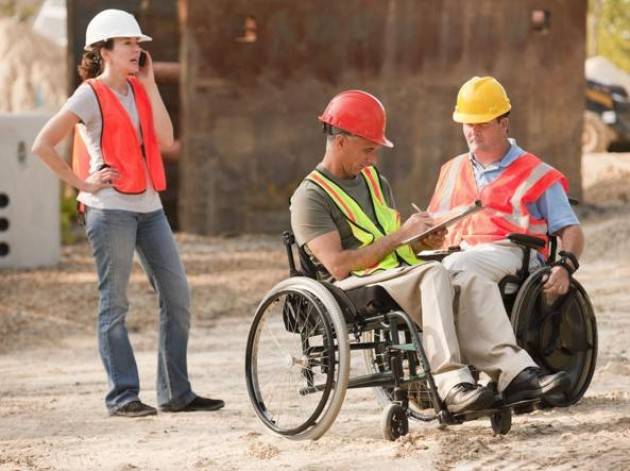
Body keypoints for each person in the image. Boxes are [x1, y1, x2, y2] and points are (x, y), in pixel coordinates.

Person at [290, 90, 570, 414]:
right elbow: (338, 266)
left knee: (469, 278)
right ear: (341, 141)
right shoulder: (310, 198)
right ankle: (452, 384)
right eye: (368, 149)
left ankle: (514, 374)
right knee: (435, 274)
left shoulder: (373, 180)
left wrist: (422, 240)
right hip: (352, 286)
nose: (373, 159)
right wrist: (400, 237)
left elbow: (389, 240)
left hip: (392, 272)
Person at [32, 9, 223, 417]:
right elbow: (42, 144)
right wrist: (82, 183)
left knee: (177, 298)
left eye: (139, 44)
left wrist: (151, 86)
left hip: (150, 209)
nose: (137, 50)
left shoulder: (139, 89)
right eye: (128, 44)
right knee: (115, 304)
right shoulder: (88, 94)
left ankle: (176, 393)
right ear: (105, 51)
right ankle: (123, 396)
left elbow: (167, 139)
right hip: (110, 212)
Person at [428, 76, 584, 297]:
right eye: (468, 124)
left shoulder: (536, 172)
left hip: (514, 257)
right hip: (462, 253)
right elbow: (432, 225)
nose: (473, 131)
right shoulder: (451, 169)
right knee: (434, 274)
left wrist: (565, 267)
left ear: (504, 124)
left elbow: (571, 228)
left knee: (453, 268)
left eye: (482, 123)